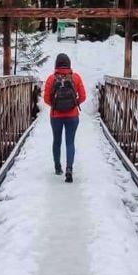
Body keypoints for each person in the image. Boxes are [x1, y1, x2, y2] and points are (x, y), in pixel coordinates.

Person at [43, 53, 86, 183]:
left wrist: (55, 106)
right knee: (70, 142)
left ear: (56, 64)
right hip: (72, 116)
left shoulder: (51, 78)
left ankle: (57, 167)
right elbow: (83, 96)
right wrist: (74, 104)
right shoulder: (76, 77)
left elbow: (46, 99)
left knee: (57, 141)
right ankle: (69, 169)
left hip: (56, 116)